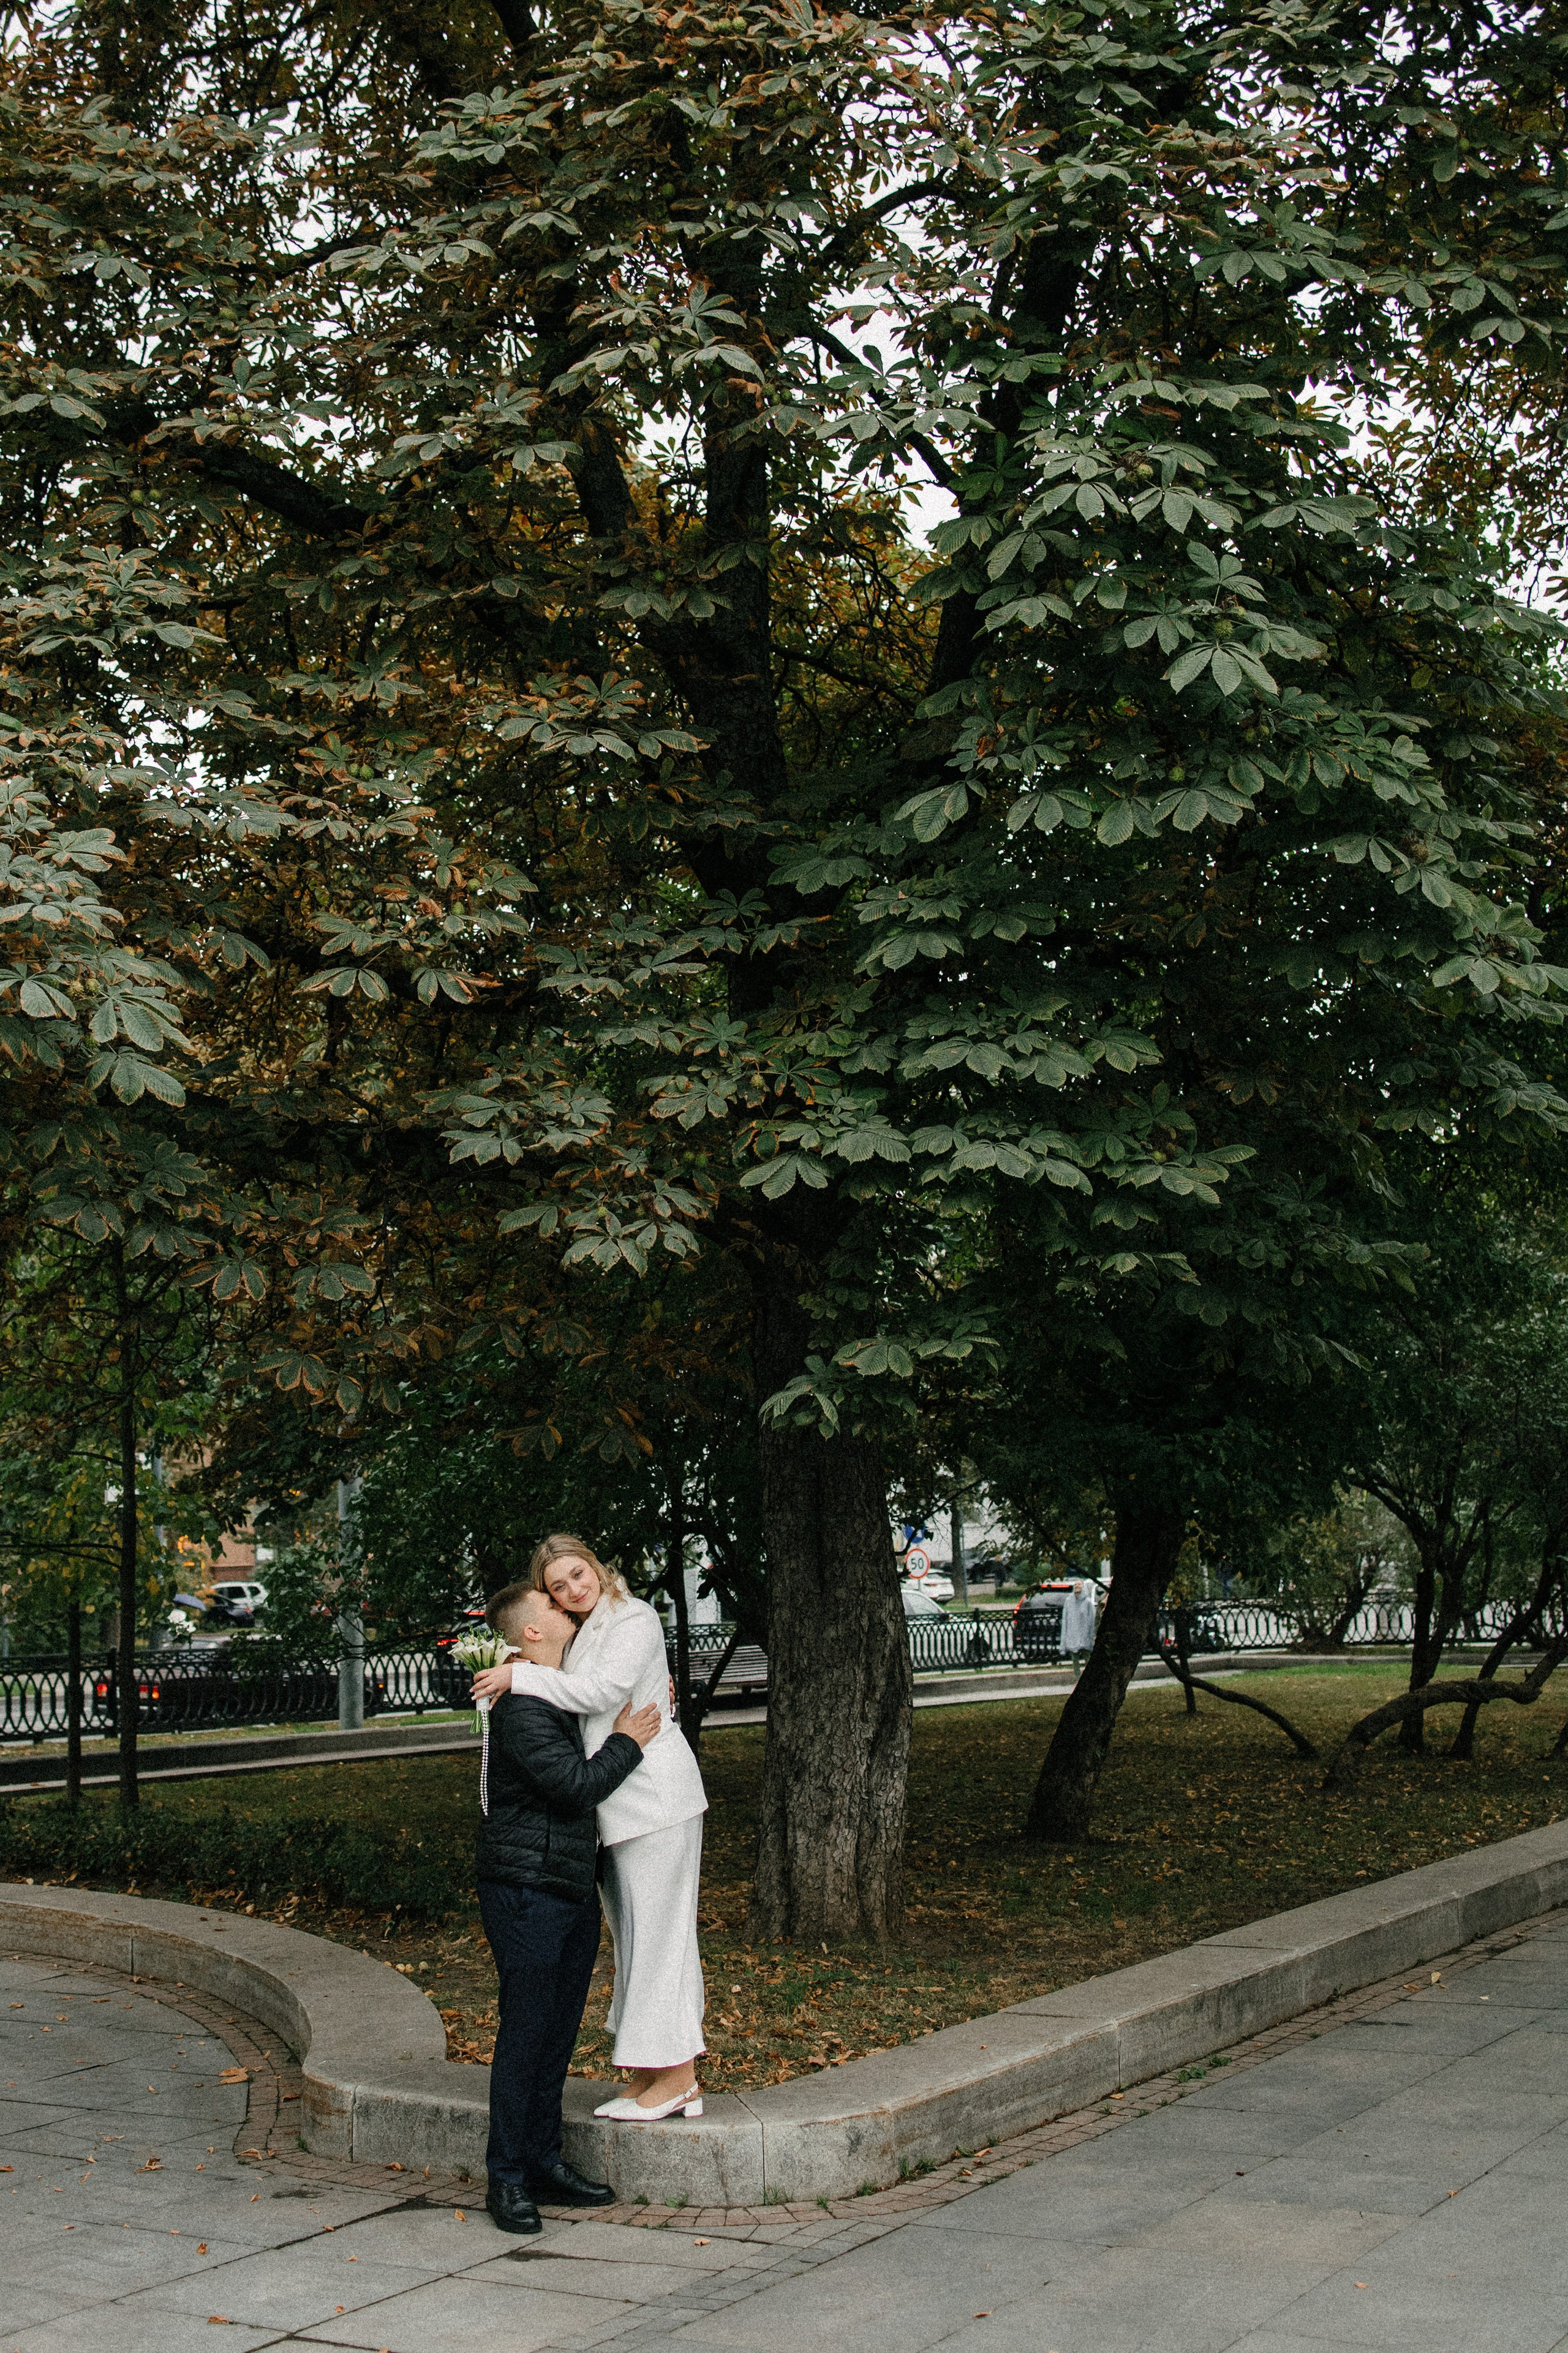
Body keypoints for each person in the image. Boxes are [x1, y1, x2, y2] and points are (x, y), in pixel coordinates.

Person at [472, 1532, 708, 2121]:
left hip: (656, 1800)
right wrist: (509, 1665)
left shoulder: (633, 1616)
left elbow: (599, 1691)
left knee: (662, 1938)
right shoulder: (580, 1630)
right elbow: (547, 1661)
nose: (573, 1589)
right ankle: (651, 2068)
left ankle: (680, 2077)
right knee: (636, 1940)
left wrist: (515, 1677)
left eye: (579, 1574)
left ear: (596, 1566)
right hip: (615, 1807)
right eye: (558, 1587)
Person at [476, 1581, 661, 2234]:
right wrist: (628, 1741)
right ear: (532, 1631)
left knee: (555, 2032)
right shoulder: (523, 1707)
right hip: (527, 1889)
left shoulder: (547, 1688)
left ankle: (544, 2160)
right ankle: (507, 2178)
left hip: (566, 1884)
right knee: (526, 2033)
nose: (567, 1609)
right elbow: (574, 1786)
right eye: (554, 1607)